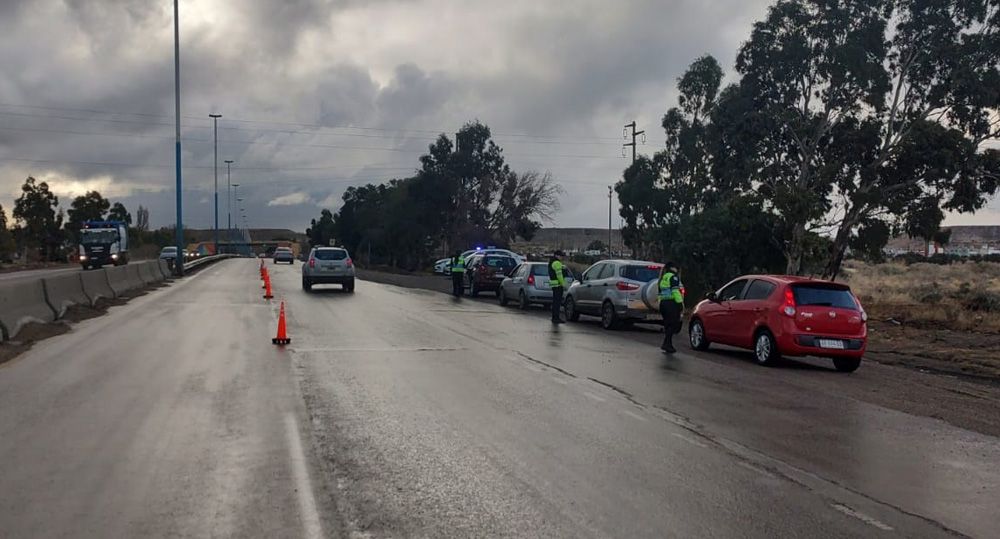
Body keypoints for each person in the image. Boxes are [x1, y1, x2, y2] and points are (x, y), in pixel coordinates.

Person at [658, 262, 684, 353]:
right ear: (674, 268)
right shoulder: (673, 277)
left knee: (668, 324)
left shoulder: (663, 277)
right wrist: (680, 303)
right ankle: (667, 344)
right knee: (672, 324)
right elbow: (675, 291)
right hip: (671, 303)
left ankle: (667, 344)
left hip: (663, 303)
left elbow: (660, 292)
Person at [548, 250, 568, 323]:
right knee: (557, 302)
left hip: (553, 284)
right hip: (558, 285)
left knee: (555, 302)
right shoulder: (557, 263)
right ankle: (556, 318)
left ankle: (554, 317)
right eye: (561, 256)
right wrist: (563, 284)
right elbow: (559, 275)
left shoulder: (551, 262)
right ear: (556, 255)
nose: (562, 257)